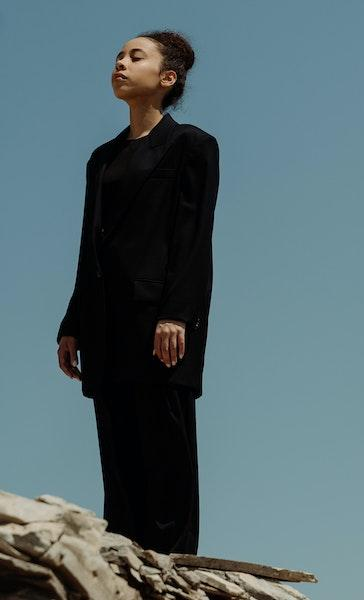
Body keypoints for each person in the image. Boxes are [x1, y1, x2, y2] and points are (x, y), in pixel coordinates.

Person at [56, 31, 219, 554]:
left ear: (167, 78)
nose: (120, 63)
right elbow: (90, 244)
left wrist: (176, 313)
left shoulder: (193, 145)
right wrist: (72, 322)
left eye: (134, 56)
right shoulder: (100, 159)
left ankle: (174, 566)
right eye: (118, 56)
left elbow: (194, 239)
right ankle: (124, 563)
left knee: (165, 449)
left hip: (162, 324)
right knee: (118, 453)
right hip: (106, 324)